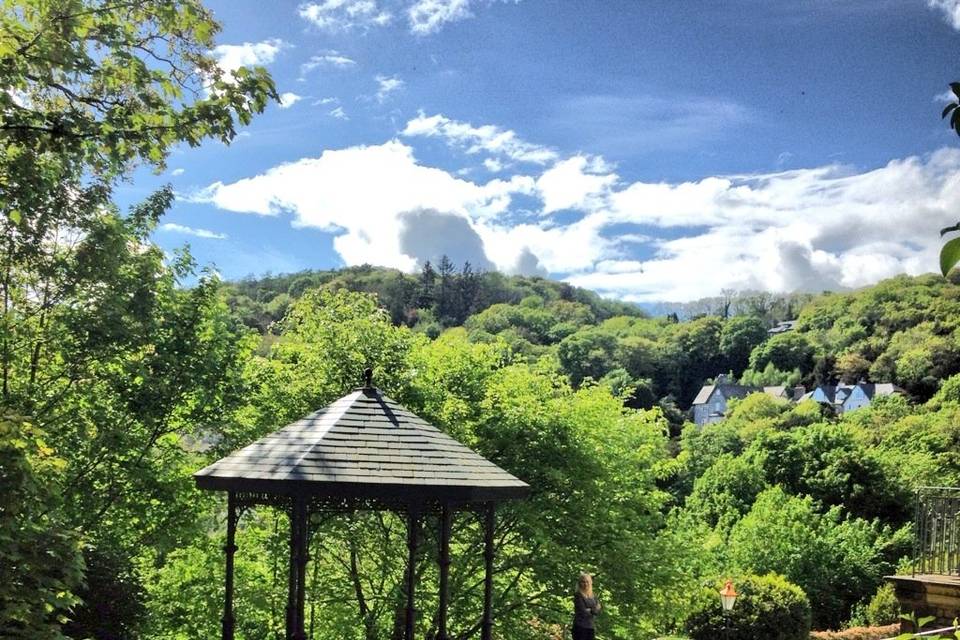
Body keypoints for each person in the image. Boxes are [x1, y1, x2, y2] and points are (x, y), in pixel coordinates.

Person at [572, 572, 601, 640]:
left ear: (590, 583)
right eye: (583, 582)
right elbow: (583, 612)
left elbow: (598, 610)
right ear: (579, 583)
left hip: (590, 627)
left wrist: (590, 610)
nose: (585, 584)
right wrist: (593, 609)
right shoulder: (578, 595)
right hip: (579, 627)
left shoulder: (594, 596)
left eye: (587, 582)